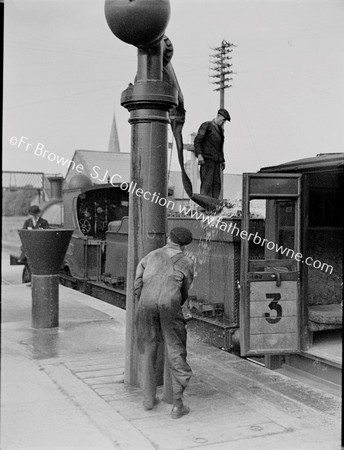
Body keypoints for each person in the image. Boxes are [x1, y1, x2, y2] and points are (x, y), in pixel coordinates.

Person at [134, 227, 194, 419]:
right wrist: (173, 305)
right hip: (170, 305)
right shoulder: (186, 262)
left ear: (168, 238)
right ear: (184, 245)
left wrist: (144, 301)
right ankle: (177, 405)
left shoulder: (150, 256)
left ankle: (148, 400)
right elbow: (184, 291)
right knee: (176, 351)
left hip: (146, 303)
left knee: (147, 349)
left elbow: (137, 284)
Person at [194, 108, 231, 199]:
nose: (223, 123)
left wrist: (222, 160)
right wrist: (199, 155)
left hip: (216, 161)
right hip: (207, 160)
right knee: (207, 184)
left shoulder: (220, 131)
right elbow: (197, 141)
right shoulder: (206, 125)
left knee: (216, 185)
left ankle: (213, 207)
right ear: (218, 116)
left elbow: (219, 147)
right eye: (223, 120)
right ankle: (204, 206)